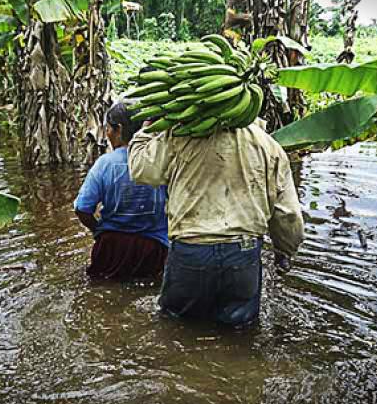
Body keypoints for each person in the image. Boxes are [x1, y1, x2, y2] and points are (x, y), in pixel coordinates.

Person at [128, 118, 304, 327]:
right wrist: (284, 251)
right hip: (243, 254)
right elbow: (288, 214)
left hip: (191, 250)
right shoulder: (267, 146)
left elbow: (141, 170)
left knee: (176, 327)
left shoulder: (179, 135)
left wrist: (149, 128)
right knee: (240, 334)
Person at [73, 102, 169, 280]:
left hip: (111, 247)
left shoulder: (105, 164)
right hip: (153, 248)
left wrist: (98, 231)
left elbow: (82, 209)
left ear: (119, 129)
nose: (107, 134)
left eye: (108, 128)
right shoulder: (160, 160)